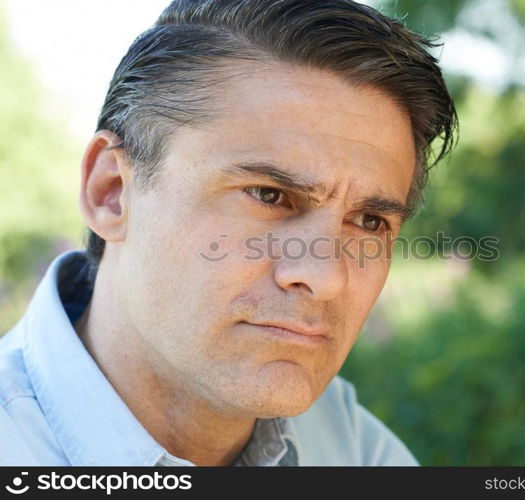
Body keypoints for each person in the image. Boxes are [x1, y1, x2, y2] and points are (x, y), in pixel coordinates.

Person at [0, 0, 456, 466]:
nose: (325, 275)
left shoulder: (354, 450)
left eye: (369, 222)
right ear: (112, 192)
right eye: (268, 194)